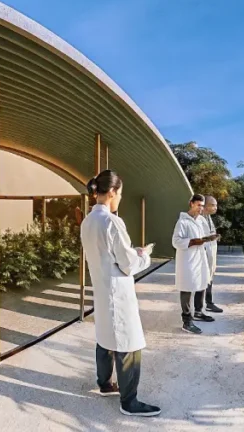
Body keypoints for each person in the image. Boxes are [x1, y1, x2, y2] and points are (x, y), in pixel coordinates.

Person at [80, 170, 161, 417]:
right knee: (129, 342)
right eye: (121, 194)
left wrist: (129, 252)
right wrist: (143, 255)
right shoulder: (112, 222)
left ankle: (104, 384)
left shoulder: (88, 221)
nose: (120, 198)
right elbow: (127, 264)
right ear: (113, 192)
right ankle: (129, 401)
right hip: (118, 291)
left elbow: (109, 255)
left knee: (105, 336)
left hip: (102, 289)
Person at [172, 194, 218, 334]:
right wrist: (192, 242)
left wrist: (210, 238)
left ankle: (199, 311)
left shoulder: (200, 220)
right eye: (198, 205)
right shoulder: (182, 222)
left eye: (202, 206)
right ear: (191, 203)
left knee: (203, 283)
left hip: (200, 257)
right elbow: (175, 242)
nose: (201, 208)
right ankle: (187, 321)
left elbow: (204, 236)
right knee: (186, 288)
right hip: (187, 259)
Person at [200, 195, 224, 314]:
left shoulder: (208, 217)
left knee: (210, 277)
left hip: (211, 251)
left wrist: (214, 237)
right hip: (204, 252)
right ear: (205, 205)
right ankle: (201, 307)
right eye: (213, 205)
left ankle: (208, 303)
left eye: (216, 205)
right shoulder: (198, 218)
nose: (216, 207)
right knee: (203, 278)